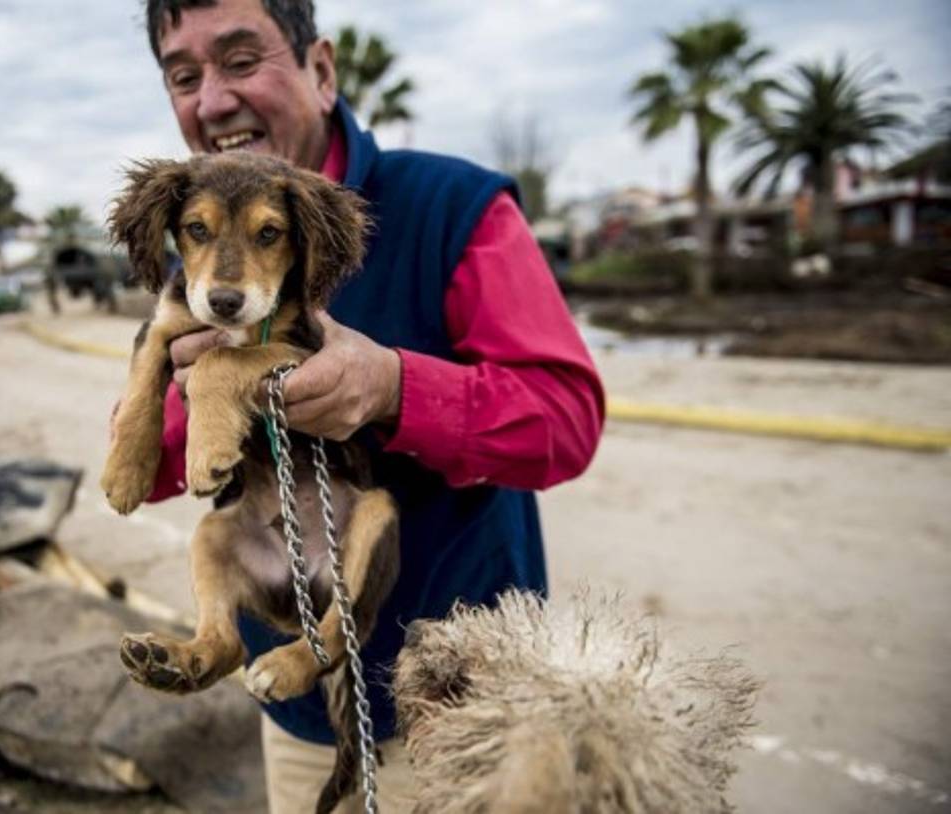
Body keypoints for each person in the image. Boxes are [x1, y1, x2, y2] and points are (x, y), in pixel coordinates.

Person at [126, 1, 605, 810]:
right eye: (184, 75)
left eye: (241, 60)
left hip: (476, 705)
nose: (211, 101)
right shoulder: (199, 254)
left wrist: (391, 387)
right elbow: (157, 471)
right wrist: (187, 386)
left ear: (320, 69)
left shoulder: (456, 207)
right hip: (301, 714)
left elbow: (565, 420)